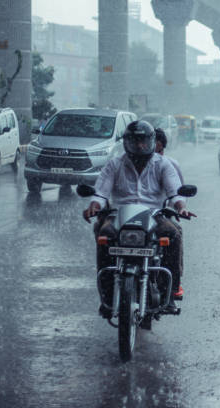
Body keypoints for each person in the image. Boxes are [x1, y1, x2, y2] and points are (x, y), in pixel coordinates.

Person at [82, 120, 194, 317]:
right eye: (135, 141)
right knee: (103, 234)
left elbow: (174, 193)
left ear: (151, 142)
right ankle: (107, 295)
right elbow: (101, 193)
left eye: (143, 141)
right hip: (119, 215)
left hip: (154, 215)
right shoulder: (114, 164)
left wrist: (181, 207)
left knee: (173, 233)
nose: (140, 145)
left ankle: (171, 291)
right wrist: (94, 205)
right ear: (127, 142)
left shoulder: (163, 164)